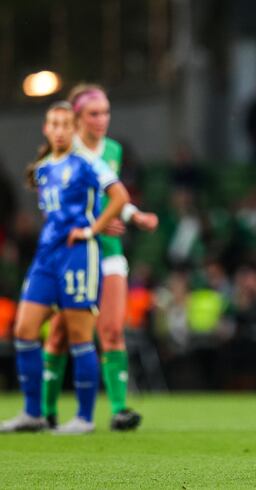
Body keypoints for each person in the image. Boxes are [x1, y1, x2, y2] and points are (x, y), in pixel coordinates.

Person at [0, 101, 130, 433]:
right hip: (47, 256)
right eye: (53, 124)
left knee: (79, 337)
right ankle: (33, 413)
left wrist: (92, 229)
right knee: (24, 331)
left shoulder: (89, 163)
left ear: (74, 130)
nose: (59, 130)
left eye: (65, 125)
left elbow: (119, 197)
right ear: (46, 128)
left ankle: (84, 418)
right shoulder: (43, 168)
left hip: (79, 255)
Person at [41, 84, 158, 431]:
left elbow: (109, 198)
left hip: (108, 253)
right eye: (94, 113)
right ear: (77, 117)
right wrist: (94, 226)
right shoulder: (63, 152)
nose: (102, 119)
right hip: (74, 252)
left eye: (106, 112)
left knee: (111, 329)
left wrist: (133, 216)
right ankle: (45, 410)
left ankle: (120, 408)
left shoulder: (113, 150)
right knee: (60, 333)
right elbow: (56, 208)